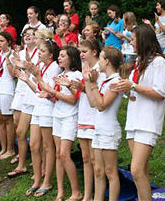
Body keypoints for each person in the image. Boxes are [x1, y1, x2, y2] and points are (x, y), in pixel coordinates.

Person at [112, 25, 165, 201]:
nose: (131, 43)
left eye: (133, 39)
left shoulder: (159, 62)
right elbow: (135, 92)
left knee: (136, 169)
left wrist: (133, 86)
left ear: (143, 40)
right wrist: (125, 88)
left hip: (148, 122)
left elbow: (160, 93)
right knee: (140, 171)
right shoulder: (138, 62)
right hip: (134, 120)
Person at [39, 46, 83, 201]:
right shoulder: (61, 74)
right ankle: (60, 191)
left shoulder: (77, 75)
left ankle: (76, 192)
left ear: (71, 58)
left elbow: (73, 99)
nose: (59, 58)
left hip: (69, 117)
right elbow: (58, 97)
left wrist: (53, 92)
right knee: (58, 154)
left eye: (63, 55)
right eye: (59, 55)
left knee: (64, 154)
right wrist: (49, 94)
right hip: (57, 115)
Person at [18, 39, 60, 197]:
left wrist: (35, 76)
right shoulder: (42, 66)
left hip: (48, 109)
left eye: (42, 51)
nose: (39, 53)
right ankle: (37, 178)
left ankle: (47, 181)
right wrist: (27, 79)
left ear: (50, 54)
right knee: (34, 145)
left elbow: (48, 90)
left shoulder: (55, 67)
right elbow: (38, 90)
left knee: (48, 147)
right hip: (38, 107)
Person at [84, 47, 124, 201]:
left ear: (107, 61)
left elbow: (102, 105)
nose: (98, 63)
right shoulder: (105, 80)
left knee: (110, 171)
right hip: (99, 128)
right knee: (98, 170)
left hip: (109, 130)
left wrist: (93, 84)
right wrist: (88, 81)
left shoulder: (116, 81)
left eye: (100, 59)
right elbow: (92, 102)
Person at [7, 27, 39, 176]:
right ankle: (22, 163)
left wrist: (25, 63)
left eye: (31, 35)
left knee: (36, 133)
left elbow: (34, 70)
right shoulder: (19, 52)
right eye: (25, 34)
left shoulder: (39, 52)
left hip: (35, 91)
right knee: (19, 129)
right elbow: (15, 73)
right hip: (22, 90)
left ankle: (40, 162)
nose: (27, 36)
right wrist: (14, 62)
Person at [74, 39, 102, 201]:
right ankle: (87, 195)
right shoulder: (85, 68)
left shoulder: (100, 68)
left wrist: (84, 85)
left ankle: (97, 194)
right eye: (80, 52)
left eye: (84, 51)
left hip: (95, 115)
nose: (81, 55)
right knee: (85, 158)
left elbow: (97, 93)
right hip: (83, 112)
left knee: (94, 159)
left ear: (94, 52)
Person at [0, 32, 16, 160]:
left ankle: (11, 149)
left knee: (8, 119)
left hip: (7, 88)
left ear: (8, 42)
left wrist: (7, 58)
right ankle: (3, 148)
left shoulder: (13, 55)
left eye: (2, 41)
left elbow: (13, 74)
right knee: (0, 119)